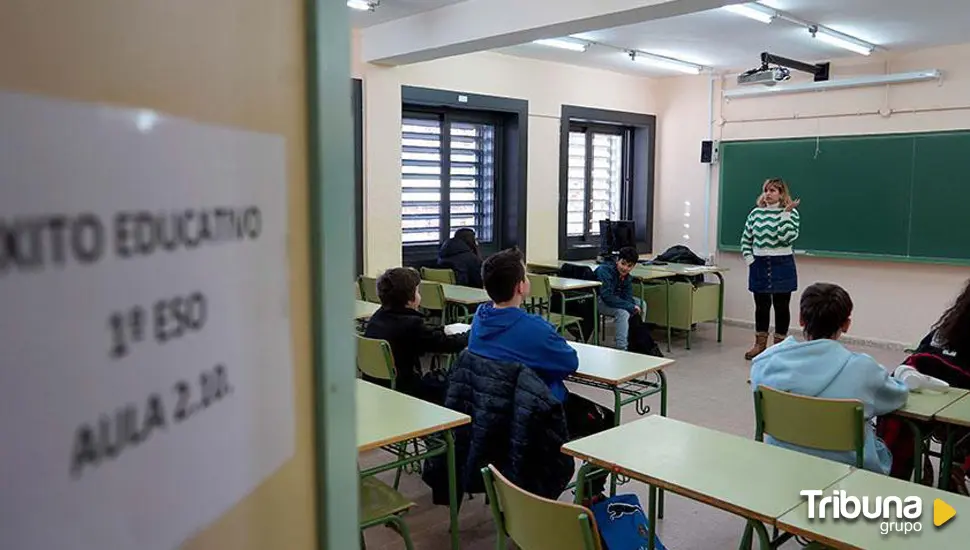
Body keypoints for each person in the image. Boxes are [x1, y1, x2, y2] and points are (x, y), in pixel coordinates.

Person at [468, 248, 614, 495]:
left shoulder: (479, 320)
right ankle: (592, 494)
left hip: (493, 411)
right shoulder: (533, 328)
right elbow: (569, 362)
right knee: (607, 419)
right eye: (525, 276)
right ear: (520, 287)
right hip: (540, 412)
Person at [750, 283, 909, 474]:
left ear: (801, 319)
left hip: (782, 465)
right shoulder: (864, 370)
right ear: (846, 324)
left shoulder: (766, 362)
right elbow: (897, 397)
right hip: (849, 471)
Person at [364, 267, 468, 403]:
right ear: (409, 299)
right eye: (418, 292)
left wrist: (442, 329)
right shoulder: (411, 325)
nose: (420, 296)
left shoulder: (378, 317)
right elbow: (448, 345)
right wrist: (472, 333)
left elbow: (423, 335)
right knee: (457, 386)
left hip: (376, 386)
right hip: (405, 390)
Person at [741, 178, 801, 360]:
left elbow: (786, 237)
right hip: (759, 263)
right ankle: (760, 346)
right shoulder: (755, 214)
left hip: (782, 263)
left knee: (781, 307)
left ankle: (779, 348)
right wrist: (751, 260)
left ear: (781, 194)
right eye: (766, 190)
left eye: (773, 190)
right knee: (761, 306)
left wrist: (786, 214)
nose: (768, 194)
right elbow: (745, 239)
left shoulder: (792, 214)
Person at [596, 246, 643, 351]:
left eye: (629, 266)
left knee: (641, 304)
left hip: (615, 299)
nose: (625, 268)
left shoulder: (627, 277)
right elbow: (607, 296)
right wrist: (630, 306)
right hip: (599, 300)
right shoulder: (604, 270)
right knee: (623, 312)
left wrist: (632, 306)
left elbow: (628, 296)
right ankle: (622, 348)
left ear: (633, 266)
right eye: (623, 263)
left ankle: (635, 339)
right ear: (617, 260)